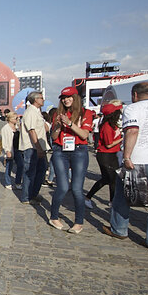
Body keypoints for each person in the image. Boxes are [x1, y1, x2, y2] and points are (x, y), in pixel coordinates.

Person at [102, 82, 148, 252]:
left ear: (135, 95)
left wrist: (127, 156)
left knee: (123, 196)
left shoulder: (133, 108)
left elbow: (132, 131)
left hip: (138, 159)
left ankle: (119, 230)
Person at [48, 87, 94, 234]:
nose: (66, 100)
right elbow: (54, 137)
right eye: (63, 97)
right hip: (60, 151)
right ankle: (53, 217)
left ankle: (78, 222)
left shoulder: (86, 113)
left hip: (79, 151)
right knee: (61, 187)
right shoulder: (57, 113)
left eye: (69, 97)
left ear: (75, 98)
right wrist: (58, 127)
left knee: (76, 188)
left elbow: (84, 135)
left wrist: (69, 123)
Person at [85, 103, 123, 207]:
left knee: (109, 179)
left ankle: (89, 197)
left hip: (112, 154)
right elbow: (108, 144)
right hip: (105, 155)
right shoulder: (106, 126)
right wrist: (122, 139)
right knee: (112, 179)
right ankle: (111, 202)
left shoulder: (113, 125)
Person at [18, 91, 49, 203]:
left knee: (41, 171)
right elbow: (32, 131)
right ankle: (26, 197)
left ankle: (33, 193)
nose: (43, 99)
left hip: (38, 146)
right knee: (30, 173)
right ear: (35, 99)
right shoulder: (30, 112)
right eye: (41, 98)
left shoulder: (37, 112)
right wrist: (38, 147)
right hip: (32, 147)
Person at [0, 113, 20, 189]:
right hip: (10, 149)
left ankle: (18, 182)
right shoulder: (5, 128)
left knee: (20, 165)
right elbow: (4, 140)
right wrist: (7, 150)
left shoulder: (17, 127)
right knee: (9, 166)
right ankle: (8, 183)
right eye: (15, 118)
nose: (16, 119)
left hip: (17, 148)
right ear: (10, 119)